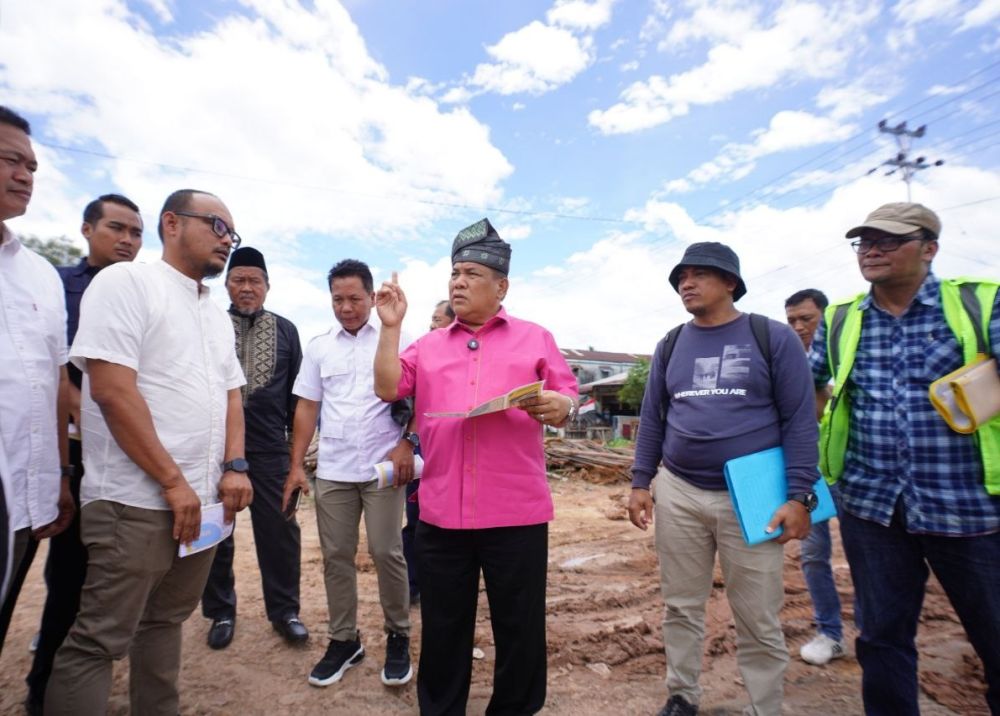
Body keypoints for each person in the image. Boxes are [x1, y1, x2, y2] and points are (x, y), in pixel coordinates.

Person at [45, 189, 253, 716]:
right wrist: (172, 482)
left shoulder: (216, 315)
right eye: (218, 226)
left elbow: (232, 393)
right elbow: (114, 391)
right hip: (136, 501)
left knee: (165, 622)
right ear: (172, 223)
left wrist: (234, 466)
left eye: (233, 232)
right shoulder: (127, 282)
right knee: (99, 640)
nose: (228, 240)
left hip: (204, 507)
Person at [373, 218, 579, 715]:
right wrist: (391, 328)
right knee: (443, 626)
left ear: (501, 285)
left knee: (519, 625)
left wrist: (560, 405)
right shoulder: (428, 345)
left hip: (516, 511)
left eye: (470, 273)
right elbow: (386, 387)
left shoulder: (535, 338)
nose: (458, 282)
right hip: (442, 512)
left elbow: (568, 394)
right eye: (453, 273)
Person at [811, 202, 1000, 715]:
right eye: (864, 242)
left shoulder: (981, 303)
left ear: (929, 248)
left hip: (972, 509)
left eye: (889, 241)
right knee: (882, 639)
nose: (872, 250)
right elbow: (804, 387)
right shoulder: (841, 319)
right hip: (872, 508)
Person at [628, 242, 820, 716]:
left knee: (757, 613)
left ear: (730, 282)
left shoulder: (771, 337)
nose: (685, 284)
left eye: (697, 275)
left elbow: (800, 421)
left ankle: (765, 705)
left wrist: (799, 496)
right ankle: (682, 696)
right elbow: (653, 418)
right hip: (679, 490)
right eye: (680, 278)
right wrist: (639, 481)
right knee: (681, 605)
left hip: (753, 495)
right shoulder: (671, 343)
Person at [24, 193, 143, 713]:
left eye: (136, 234)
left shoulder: (145, 292)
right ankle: (45, 688)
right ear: (86, 229)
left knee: (116, 577)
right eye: (116, 228)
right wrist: (68, 396)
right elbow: (48, 362)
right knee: (68, 577)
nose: (127, 240)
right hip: (67, 453)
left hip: (127, 456)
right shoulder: (54, 287)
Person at [282, 258, 414, 688]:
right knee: (336, 556)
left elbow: (421, 399)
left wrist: (407, 443)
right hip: (335, 469)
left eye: (355, 298)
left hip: (382, 468)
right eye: (337, 299)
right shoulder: (320, 347)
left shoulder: (399, 339)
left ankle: (398, 635)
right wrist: (296, 465)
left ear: (373, 297)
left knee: (385, 551)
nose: (346, 307)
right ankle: (344, 640)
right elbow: (307, 406)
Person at [201, 246, 307, 650]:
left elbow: (299, 399)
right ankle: (220, 611)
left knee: (280, 532)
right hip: (214, 448)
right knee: (215, 533)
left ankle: (285, 611)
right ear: (226, 284)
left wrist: (295, 457)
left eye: (254, 281)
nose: (246, 288)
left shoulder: (285, 330)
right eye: (238, 280)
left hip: (269, 451)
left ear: (267, 286)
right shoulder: (208, 322)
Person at [0, 106, 74, 652]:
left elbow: (53, 384)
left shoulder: (37, 274)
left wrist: (60, 477)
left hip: (26, 495)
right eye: (10, 160)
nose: (24, 175)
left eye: (31, 166)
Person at [784, 288, 848, 666]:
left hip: (852, 475)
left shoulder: (847, 358)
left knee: (870, 557)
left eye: (806, 319)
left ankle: (878, 634)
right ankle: (830, 633)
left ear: (825, 319)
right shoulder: (791, 368)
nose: (799, 327)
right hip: (813, 481)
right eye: (792, 320)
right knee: (813, 554)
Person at [401, 299, 456, 607]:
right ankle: (413, 583)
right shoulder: (421, 357)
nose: (432, 325)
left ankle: (440, 583)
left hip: (449, 453)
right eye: (431, 319)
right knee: (416, 520)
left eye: (438, 319)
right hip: (420, 448)